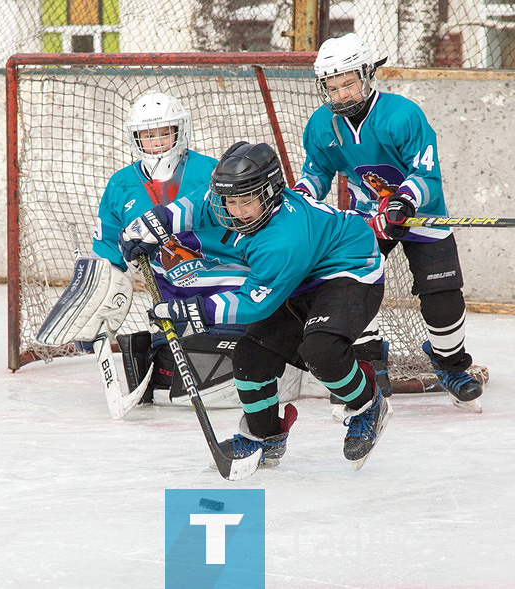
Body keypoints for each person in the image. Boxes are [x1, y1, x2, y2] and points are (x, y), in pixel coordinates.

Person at [120, 141, 390, 469]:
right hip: (299, 277)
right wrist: (154, 222)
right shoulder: (228, 198)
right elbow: (192, 208)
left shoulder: (283, 240)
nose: (236, 210)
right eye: (230, 201)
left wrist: (192, 310)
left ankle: (367, 404)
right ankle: (265, 437)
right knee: (250, 356)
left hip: (350, 268)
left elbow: (253, 304)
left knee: (322, 350)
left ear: (271, 192)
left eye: (246, 201)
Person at [294, 33, 483, 412]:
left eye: (348, 83)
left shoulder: (402, 114)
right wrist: (300, 198)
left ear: (367, 75)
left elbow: (427, 176)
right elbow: (316, 174)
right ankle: (367, 366)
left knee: (442, 298)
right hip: (367, 217)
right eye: (332, 87)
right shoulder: (321, 125)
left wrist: (403, 200)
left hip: (421, 211)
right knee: (348, 287)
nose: (342, 94)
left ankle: (450, 365)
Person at [74, 91, 251, 405]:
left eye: (163, 133)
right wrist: (91, 312)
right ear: (136, 138)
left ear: (179, 131)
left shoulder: (213, 172)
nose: (155, 142)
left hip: (229, 290)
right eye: (147, 135)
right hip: (171, 300)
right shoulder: (121, 185)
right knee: (169, 386)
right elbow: (107, 259)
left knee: (241, 360)